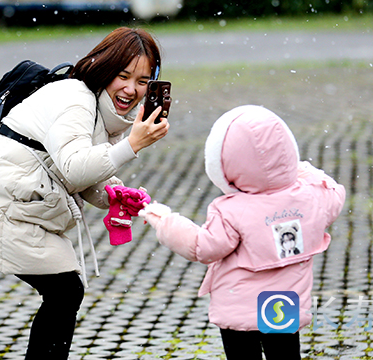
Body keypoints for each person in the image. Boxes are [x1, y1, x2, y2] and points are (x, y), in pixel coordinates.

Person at [0, 27, 169, 359]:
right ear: (105, 68)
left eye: (143, 81)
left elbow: (82, 174)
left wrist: (117, 195)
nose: (131, 89)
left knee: (65, 292)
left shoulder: (105, 112)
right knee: (64, 291)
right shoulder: (75, 98)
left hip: (16, 201)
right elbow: (75, 167)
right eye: (123, 75)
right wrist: (132, 144)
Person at [140, 105, 345, 360]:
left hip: (239, 308)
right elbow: (334, 191)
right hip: (284, 302)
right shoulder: (311, 196)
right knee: (284, 355)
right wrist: (298, 170)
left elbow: (203, 246)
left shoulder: (231, 210)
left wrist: (164, 220)